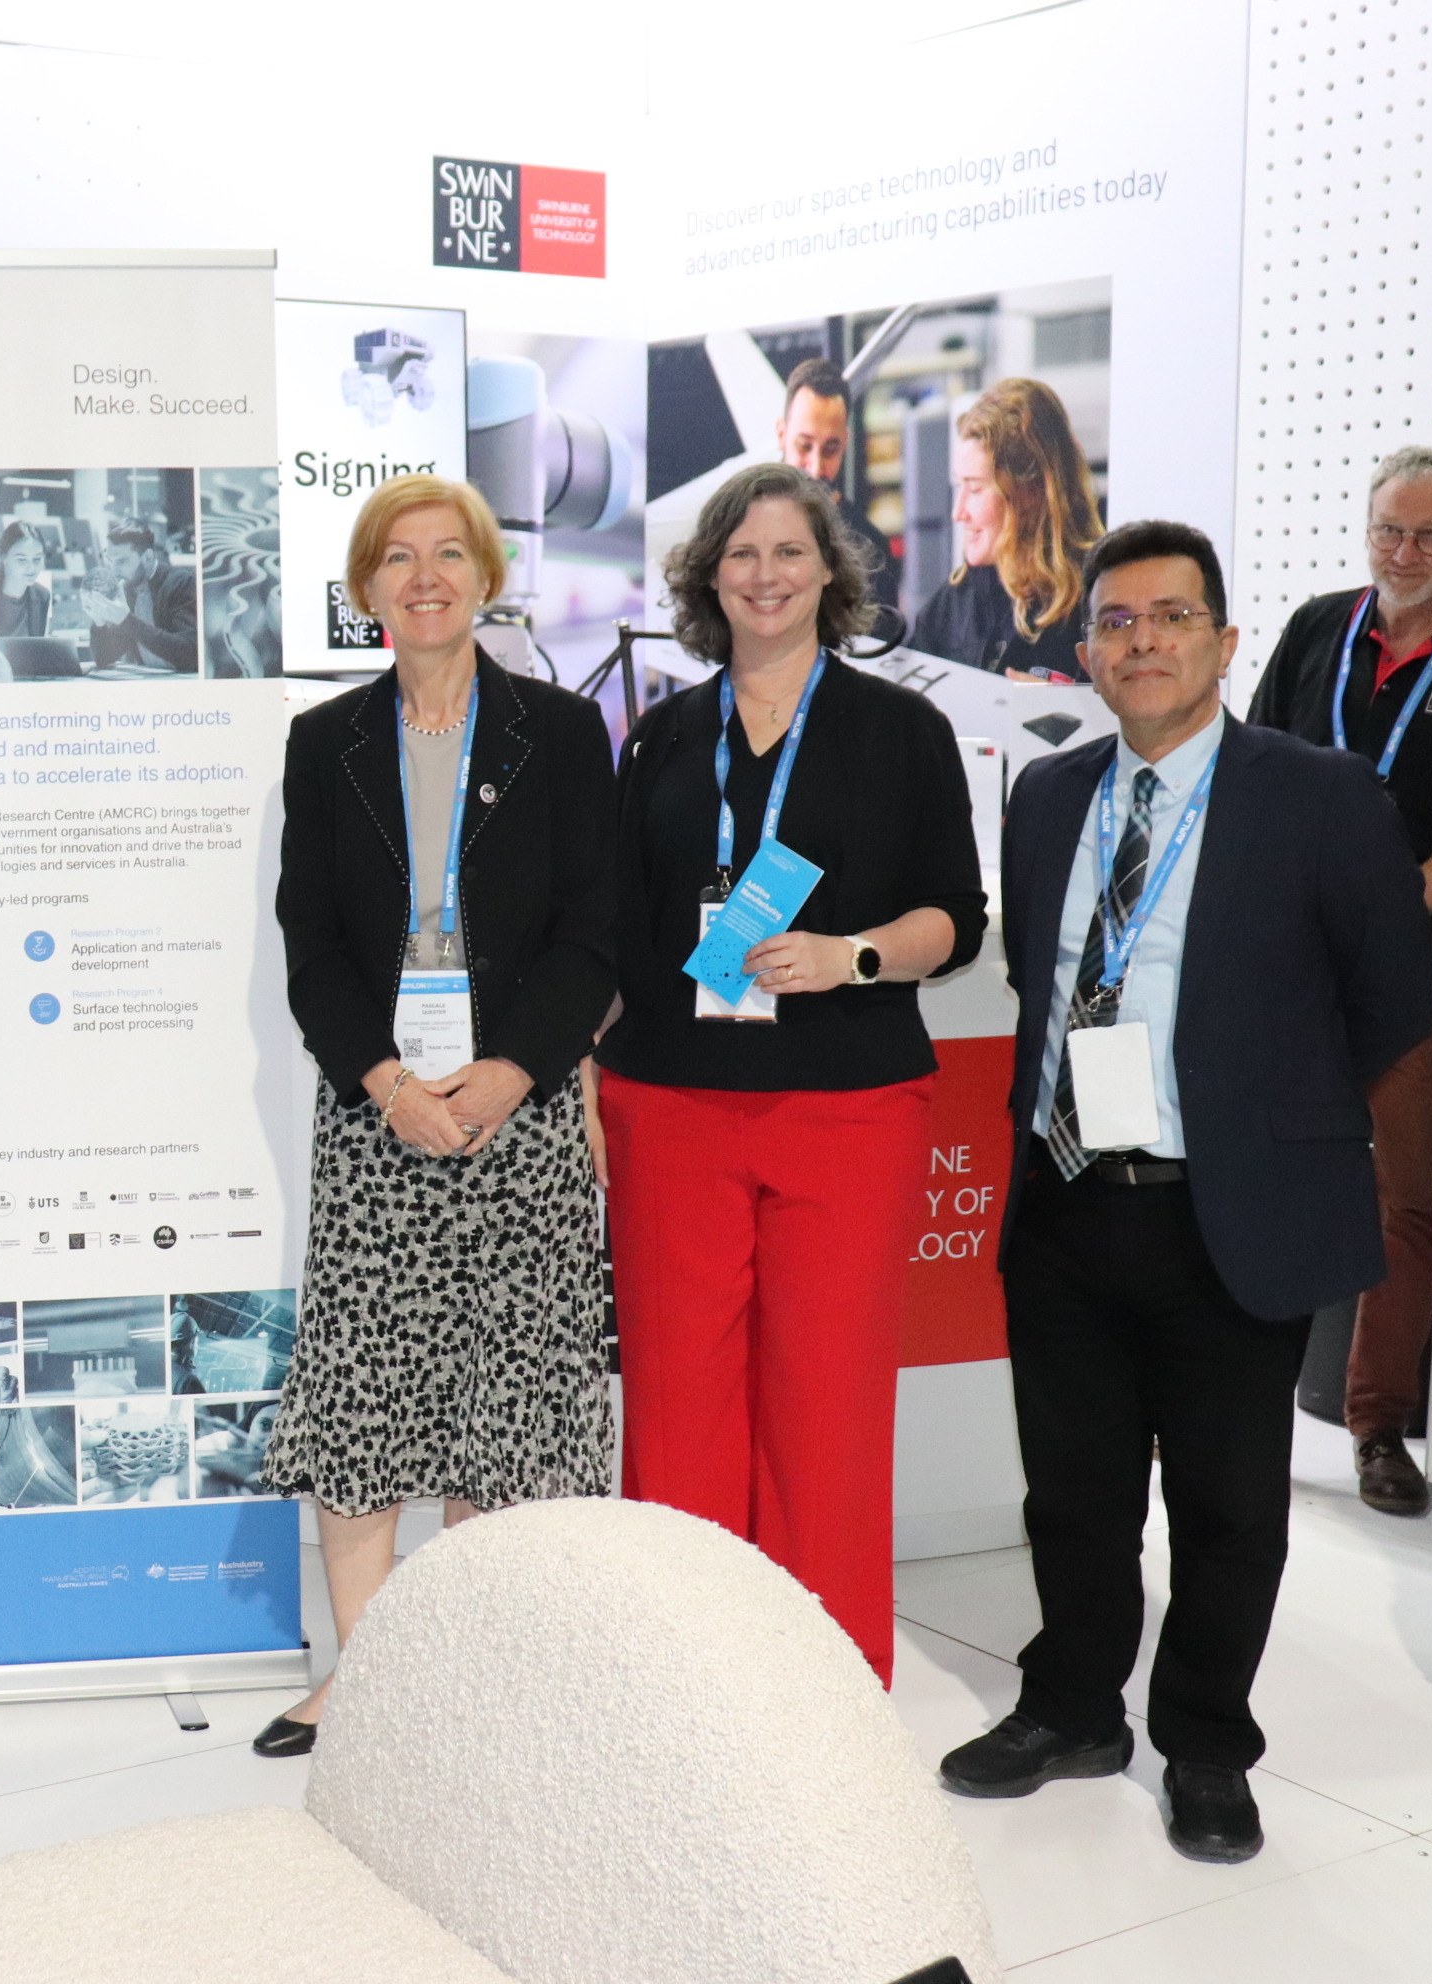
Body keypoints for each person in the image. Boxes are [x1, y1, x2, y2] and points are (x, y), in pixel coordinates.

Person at [939, 519, 1432, 1864]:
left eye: (1172, 617)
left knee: (1229, 1506)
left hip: (1231, 1210)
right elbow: (1040, 983)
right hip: (1064, 1202)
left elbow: (1394, 995)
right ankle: (1073, 1707)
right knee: (1073, 1491)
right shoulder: (1049, 796)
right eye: (1117, 621)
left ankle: (1208, 1744)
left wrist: (1268, 1109)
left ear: (1223, 641)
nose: (1143, 641)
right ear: (1086, 649)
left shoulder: (1320, 796)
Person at [595, 461, 986, 1688]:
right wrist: (583, 1078)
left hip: (848, 1107)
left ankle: (826, 1683)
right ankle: (685, 1673)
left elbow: (955, 921)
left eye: (789, 552)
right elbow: (616, 934)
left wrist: (849, 955)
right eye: (742, 554)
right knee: (678, 1404)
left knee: (826, 1402)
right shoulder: (662, 735)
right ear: (710, 577)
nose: (765, 575)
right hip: (668, 1104)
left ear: (829, 573)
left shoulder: (903, 731)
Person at [252, 472, 618, 1757]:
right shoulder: (326, 743)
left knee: (504, 1406)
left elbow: (596, 931)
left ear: (485, 576)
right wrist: (388, 1085)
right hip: (379, 1117)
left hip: (522, 1110)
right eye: (397, 557)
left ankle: (467, 1677)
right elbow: (309, 947)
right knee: (366, 1393)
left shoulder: (560, 733)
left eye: (448, 553)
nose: (424, 577)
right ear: (367, 589)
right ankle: (366, 1679)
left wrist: (515, 1070)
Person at [1243, 445, 1432, 1515]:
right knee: (1268, 1173)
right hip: (1296, 951)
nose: (1405, 552)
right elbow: (1251, 768)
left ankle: (1377, 1425)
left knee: (1403, 1199)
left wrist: (1391, 905)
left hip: (1424, 950)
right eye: (1389, 529)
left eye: (1431, 534)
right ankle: (1246, 1404)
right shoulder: (1315, 628)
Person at [913, 376, 1103, 682]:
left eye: (975, 489)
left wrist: (1062, 706)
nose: (958, 513)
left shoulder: (1103, 602)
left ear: (1033, 491)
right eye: (959, 486)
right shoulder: (948, 610)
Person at [770, 356, 902, 638]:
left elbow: (881, 652)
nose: (816, 467)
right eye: (804, 446)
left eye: (830, 449)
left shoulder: (871, 552)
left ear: (845, 443)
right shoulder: (742, 528)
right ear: (781, 435)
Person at [83, 516, 198, 672]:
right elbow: (104, 658)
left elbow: (190, 653)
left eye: (122, 561)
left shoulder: (181, 583)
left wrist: (126, 620)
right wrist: (99, 622)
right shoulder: (128, 589)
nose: (114, 570)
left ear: (147, 558)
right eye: (110, 561)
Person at [0, 519, 55, 636]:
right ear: (4, 558)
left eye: (37, 559)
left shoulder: (42, 595)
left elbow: (36, 643)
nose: (31, 568)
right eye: (22, 560)